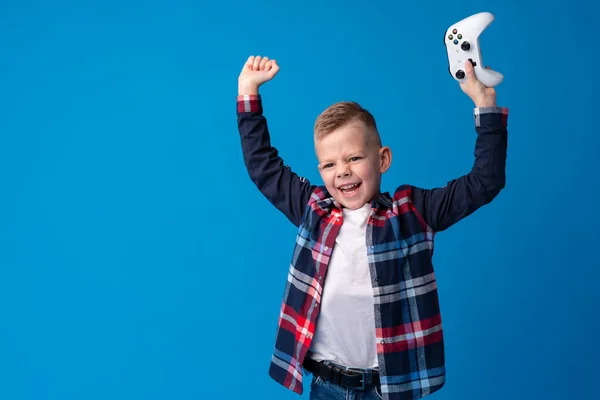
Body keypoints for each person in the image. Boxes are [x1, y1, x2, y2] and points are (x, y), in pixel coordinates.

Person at [236, 55, 508, 400]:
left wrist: (485, 107)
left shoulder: (412, 213)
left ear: (383, 160)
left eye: (354, 158)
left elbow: (485, 181)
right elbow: (263, 167)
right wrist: (248, 92)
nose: (342, 172)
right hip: (326, 386)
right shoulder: (313, 209)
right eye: (329, 164)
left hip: (387, 389)